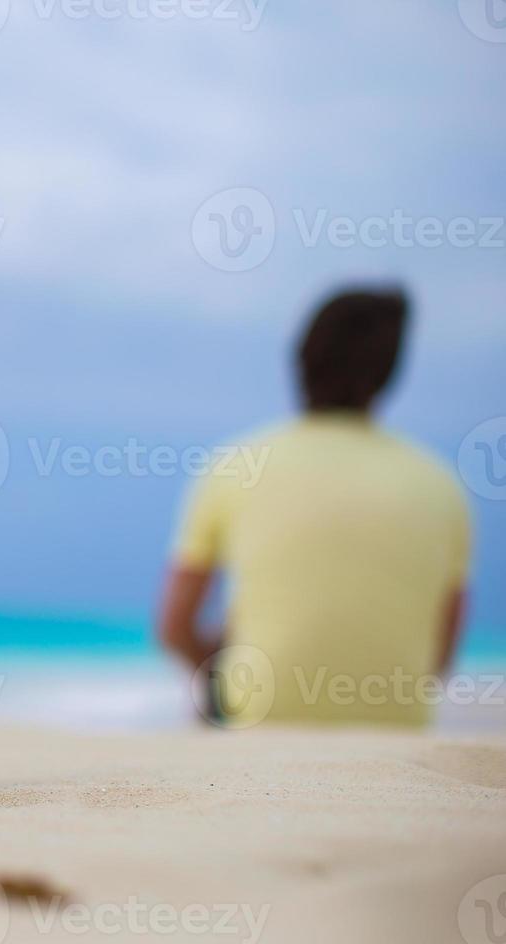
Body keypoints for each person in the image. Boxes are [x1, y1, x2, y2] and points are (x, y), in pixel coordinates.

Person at [158, 289, 471, 727]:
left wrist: (212, 664)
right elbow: (441, 652)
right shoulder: (441, 485)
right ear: (387, 372)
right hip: (398, 719)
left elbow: (174, 625)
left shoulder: (236, 465)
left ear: (301, 360)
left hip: (260, 715)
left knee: (214, 688)